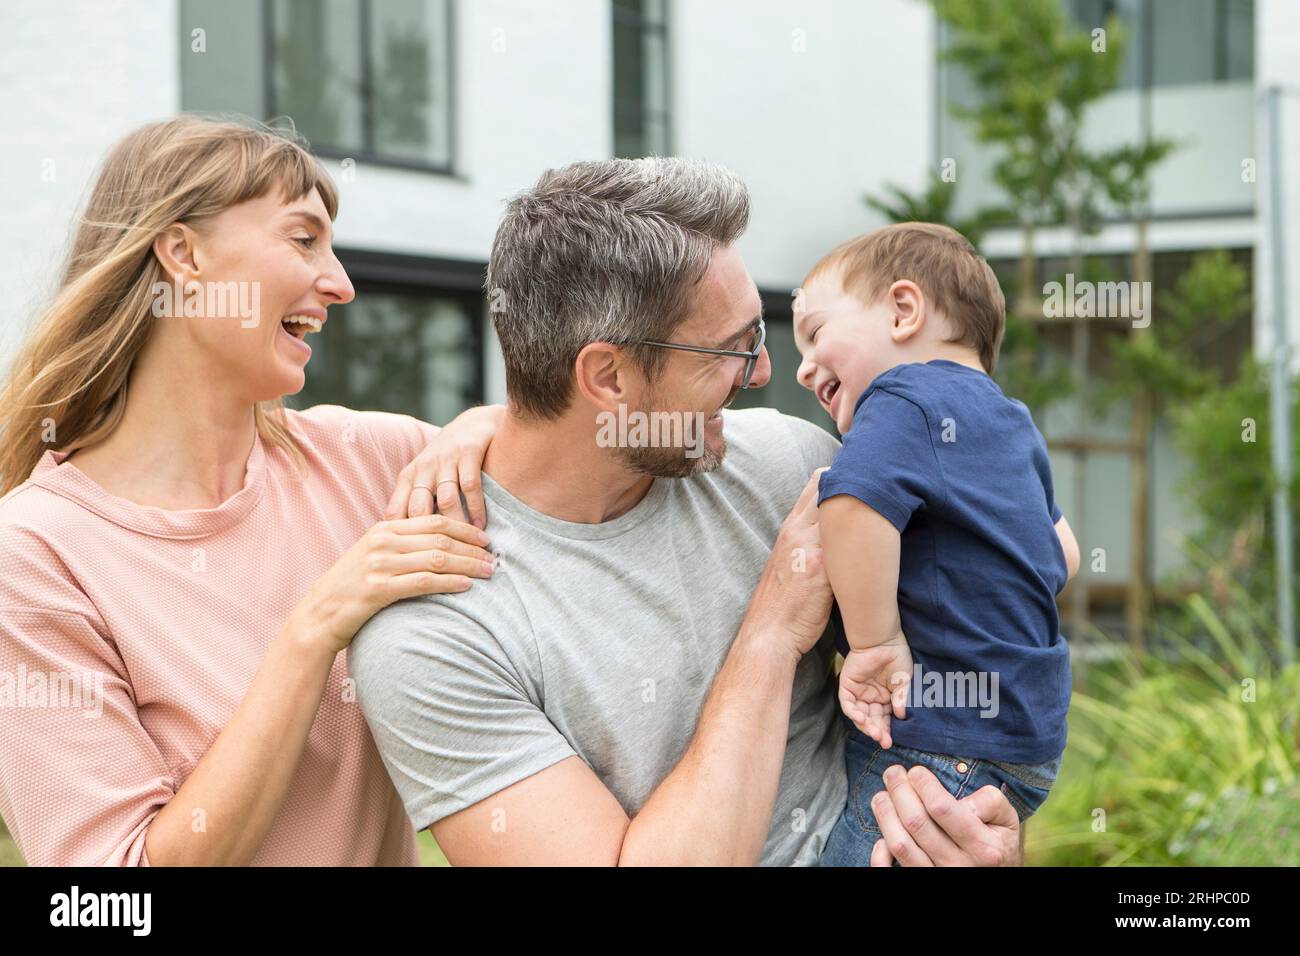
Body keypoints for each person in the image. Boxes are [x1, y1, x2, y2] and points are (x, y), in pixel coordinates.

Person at [347, 157, 1027, 866]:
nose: (764, 374)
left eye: (758, 338)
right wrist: (769, 634)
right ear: (607, 376)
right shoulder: (436, 634)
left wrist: (985, 842)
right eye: (731, 351)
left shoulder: (794, 468)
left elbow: (977, 686)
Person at [0, 116, 502, 866]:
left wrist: (483, 427)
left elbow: (578, 462)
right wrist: (315, 630)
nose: (340, 284)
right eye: (303, 241)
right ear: (183, 254)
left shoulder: (375, 460)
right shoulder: (34, 553)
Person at [792, 223, 1080, 867]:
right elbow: (1063, 555)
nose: (804, 366)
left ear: (902, 310)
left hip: (936, 736)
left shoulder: (900, 399)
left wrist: (874, 644)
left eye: (814, 334)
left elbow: (851, 504)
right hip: (1027, 743)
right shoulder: (1013, 422)